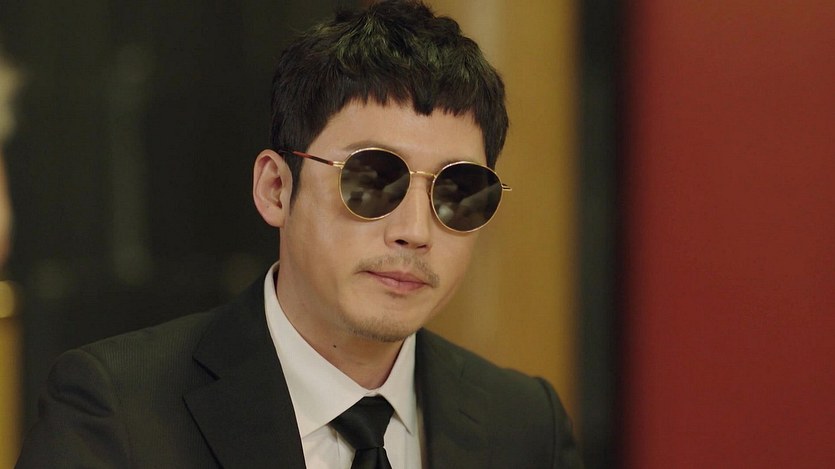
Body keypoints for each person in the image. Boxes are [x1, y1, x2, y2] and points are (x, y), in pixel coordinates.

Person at [16, 1, 582, 468]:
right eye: (372, 180)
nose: (414, 232)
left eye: (457, 191)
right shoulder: (118, 411)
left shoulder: (526, 424)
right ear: (275, 189)